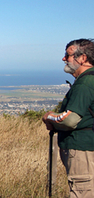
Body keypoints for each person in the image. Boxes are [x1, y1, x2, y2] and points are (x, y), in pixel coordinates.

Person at [42, 38, 94, 198]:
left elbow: (70, 119)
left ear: (83, 58)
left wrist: (50, 118)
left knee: (82, 192)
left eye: (68, 55)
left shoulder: (85, 83)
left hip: (81, 149)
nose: (64, 58)